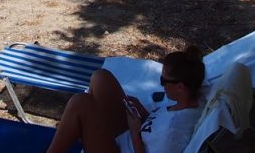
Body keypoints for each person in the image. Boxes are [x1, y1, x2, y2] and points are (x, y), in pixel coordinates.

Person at [46, 47, 205, 153]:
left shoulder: (173, 132)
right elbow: (156, 128)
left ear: (180, 87)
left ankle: (79, 130)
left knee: (80, 102)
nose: (161, 84)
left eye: (164, 81)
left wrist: (135, 132)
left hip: (124, 146)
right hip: (128, 134)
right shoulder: (187, 103)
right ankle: (84, 129)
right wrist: (143, 113)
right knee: (101, 77)